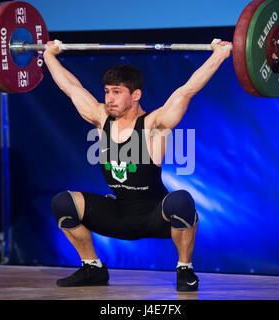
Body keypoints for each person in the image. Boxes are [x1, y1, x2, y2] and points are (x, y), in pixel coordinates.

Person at [43, 39, 231, 291]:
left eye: (116, 92)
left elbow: (187, 90)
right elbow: (71, 87)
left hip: (156, 216)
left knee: (181, 201)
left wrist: (219, 54)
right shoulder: (101, 119)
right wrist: (49, 56)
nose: (109, 98)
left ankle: (184, 270)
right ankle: (93, 267)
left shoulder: (155, 124)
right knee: (63, 203)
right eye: (107, 91)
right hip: (118, 214)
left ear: (135, 95)